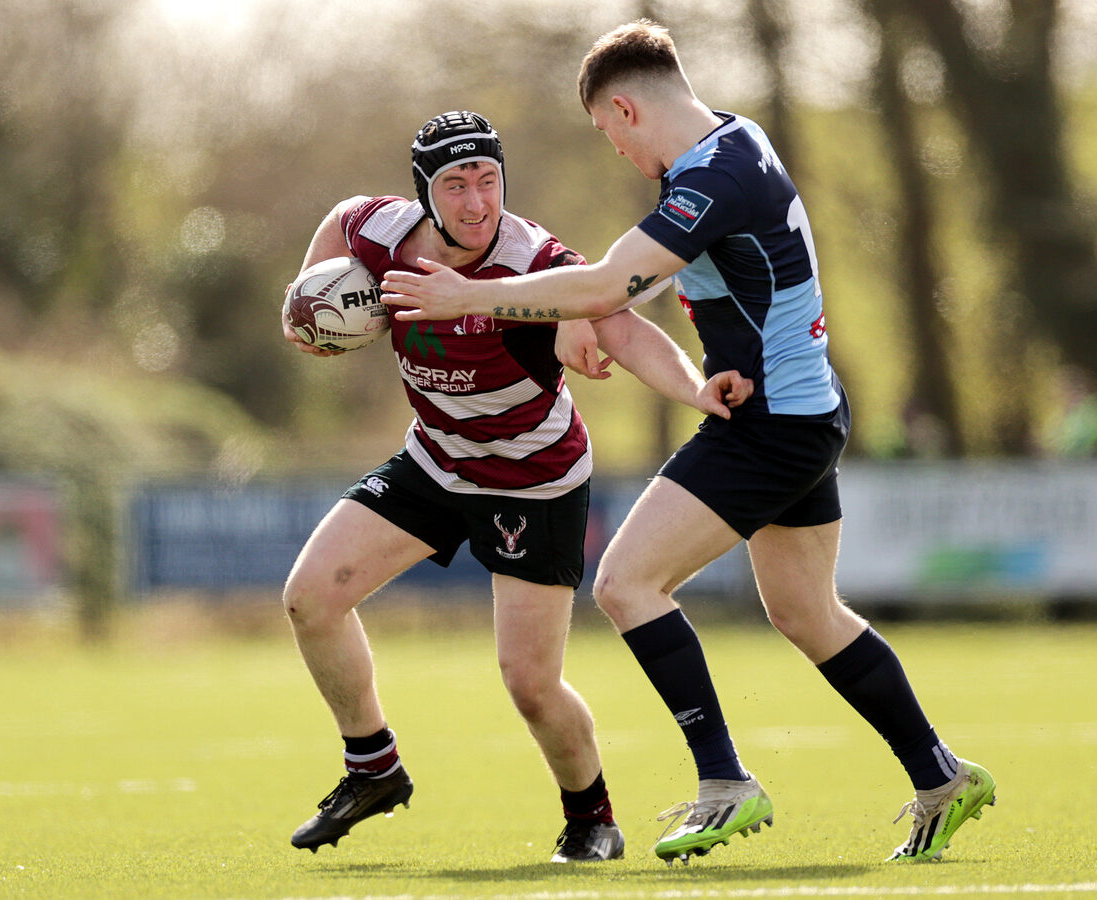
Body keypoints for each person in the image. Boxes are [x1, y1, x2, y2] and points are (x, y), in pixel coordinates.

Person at [382, 24, 997, 865]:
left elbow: (608, 280)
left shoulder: (713, 180)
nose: (616, 151)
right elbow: (650, 276)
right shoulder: (734, 143)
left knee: (626, 582)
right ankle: (940, 774)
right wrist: (590, 315)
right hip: (800, 410)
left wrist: (471, 299)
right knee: (805, 612)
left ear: (626, 109)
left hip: (772, 425)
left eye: (609, 132)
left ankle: (724, 781)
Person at [280, 109, 752, 864]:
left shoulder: (535, 262)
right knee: (311, 598)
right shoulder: (381, 233)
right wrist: (309, 305)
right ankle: (372, 766)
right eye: (455, 185)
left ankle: (592, 818)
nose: (476, 203)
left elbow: (622, 327)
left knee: (530, 683)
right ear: (424, 193)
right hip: (436, 460)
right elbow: (340, 220)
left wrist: (695, 390)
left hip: (534, 481)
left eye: (488, 180)